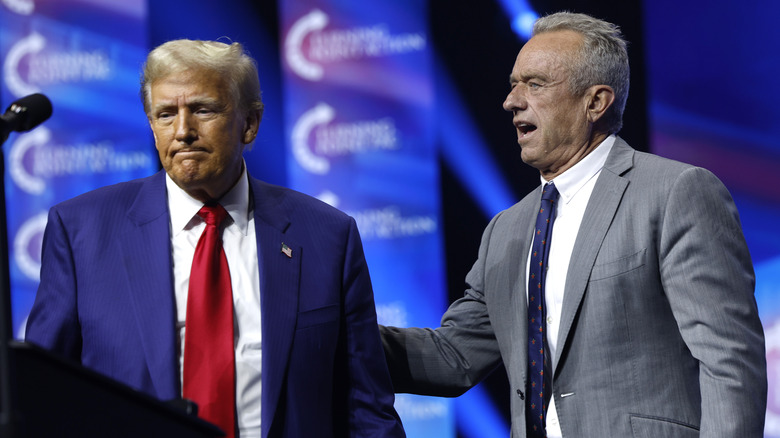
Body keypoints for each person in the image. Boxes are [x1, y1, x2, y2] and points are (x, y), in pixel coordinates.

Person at [380, 11, 766, 438]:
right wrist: (334, 331)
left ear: (595, 102)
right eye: (513, 84)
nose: (512, 100)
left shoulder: (675, 192)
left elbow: (729, 360)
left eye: (535, 84)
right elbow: (452, 357)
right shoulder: (506, 231)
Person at [26, 39, 405, 438]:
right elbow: (42, 393)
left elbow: (366, 406)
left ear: (250, 123)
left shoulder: (327, 235)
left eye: (203, 110)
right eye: (166, 114)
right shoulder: (81, 230)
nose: (183, 131)